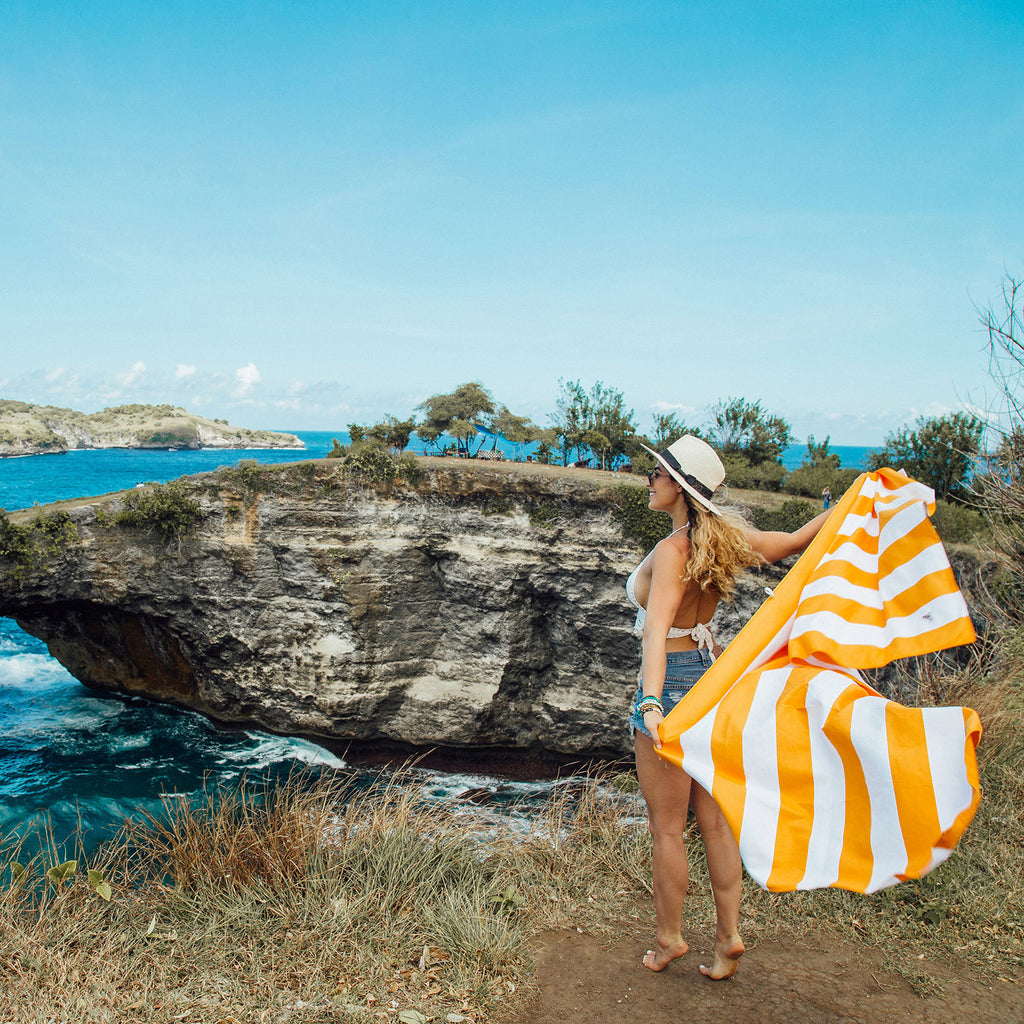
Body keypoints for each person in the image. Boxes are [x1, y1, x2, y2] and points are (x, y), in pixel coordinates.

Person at [628, 436, 829, 979]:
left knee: (669, 829)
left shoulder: (673, 551)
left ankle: (669, 940)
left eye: (657, 473)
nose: (649, 480)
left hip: (671, 685)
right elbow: (788, 544)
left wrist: (650, 701)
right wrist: (835, 514)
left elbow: (655, 632)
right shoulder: (723, 540)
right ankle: (728, 938)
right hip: (714, 680)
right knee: (716, 825)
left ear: (678, 488)